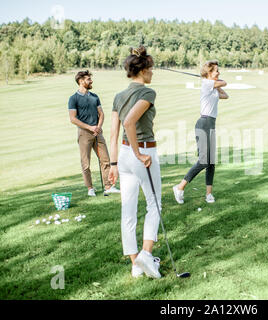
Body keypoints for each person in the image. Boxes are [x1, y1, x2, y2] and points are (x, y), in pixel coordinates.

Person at [108, 46, 162, 279]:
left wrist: (112, 165)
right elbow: (130, 122)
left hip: (123, 156)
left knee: (128, 210)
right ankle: (146, 256)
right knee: (154, 204)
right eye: (151, 69)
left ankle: (135, 266)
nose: (153, 73)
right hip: (143, 154)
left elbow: (113, 133)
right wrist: (140, 154)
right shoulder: (147, 93)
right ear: (142, 71)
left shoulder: (118, 96)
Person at [173, 60, 229, 204]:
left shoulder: (211, 85)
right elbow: (225, 83)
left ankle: (208, 194)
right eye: (216, 70)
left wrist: (213, 81)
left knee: (211, 162)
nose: (219, 72)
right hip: (203, 123)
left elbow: (225, 95)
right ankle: (179, 187)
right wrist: (211, 81)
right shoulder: (206, 84)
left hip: (211, 125)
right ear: (209, 72)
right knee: (204, 160)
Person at [68, 70, 120, 196]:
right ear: (81, 81)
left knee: (105, 160)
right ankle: (90, 188)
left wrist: (98, 126)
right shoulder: (73, 98)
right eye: (88, 79)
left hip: (98, 133)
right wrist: (90, 128)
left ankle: (108, 187)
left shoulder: (94, 97)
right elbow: (73, 119)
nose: (91, 81)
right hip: (84, 134)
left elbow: (101, 114)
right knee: (85, 163)